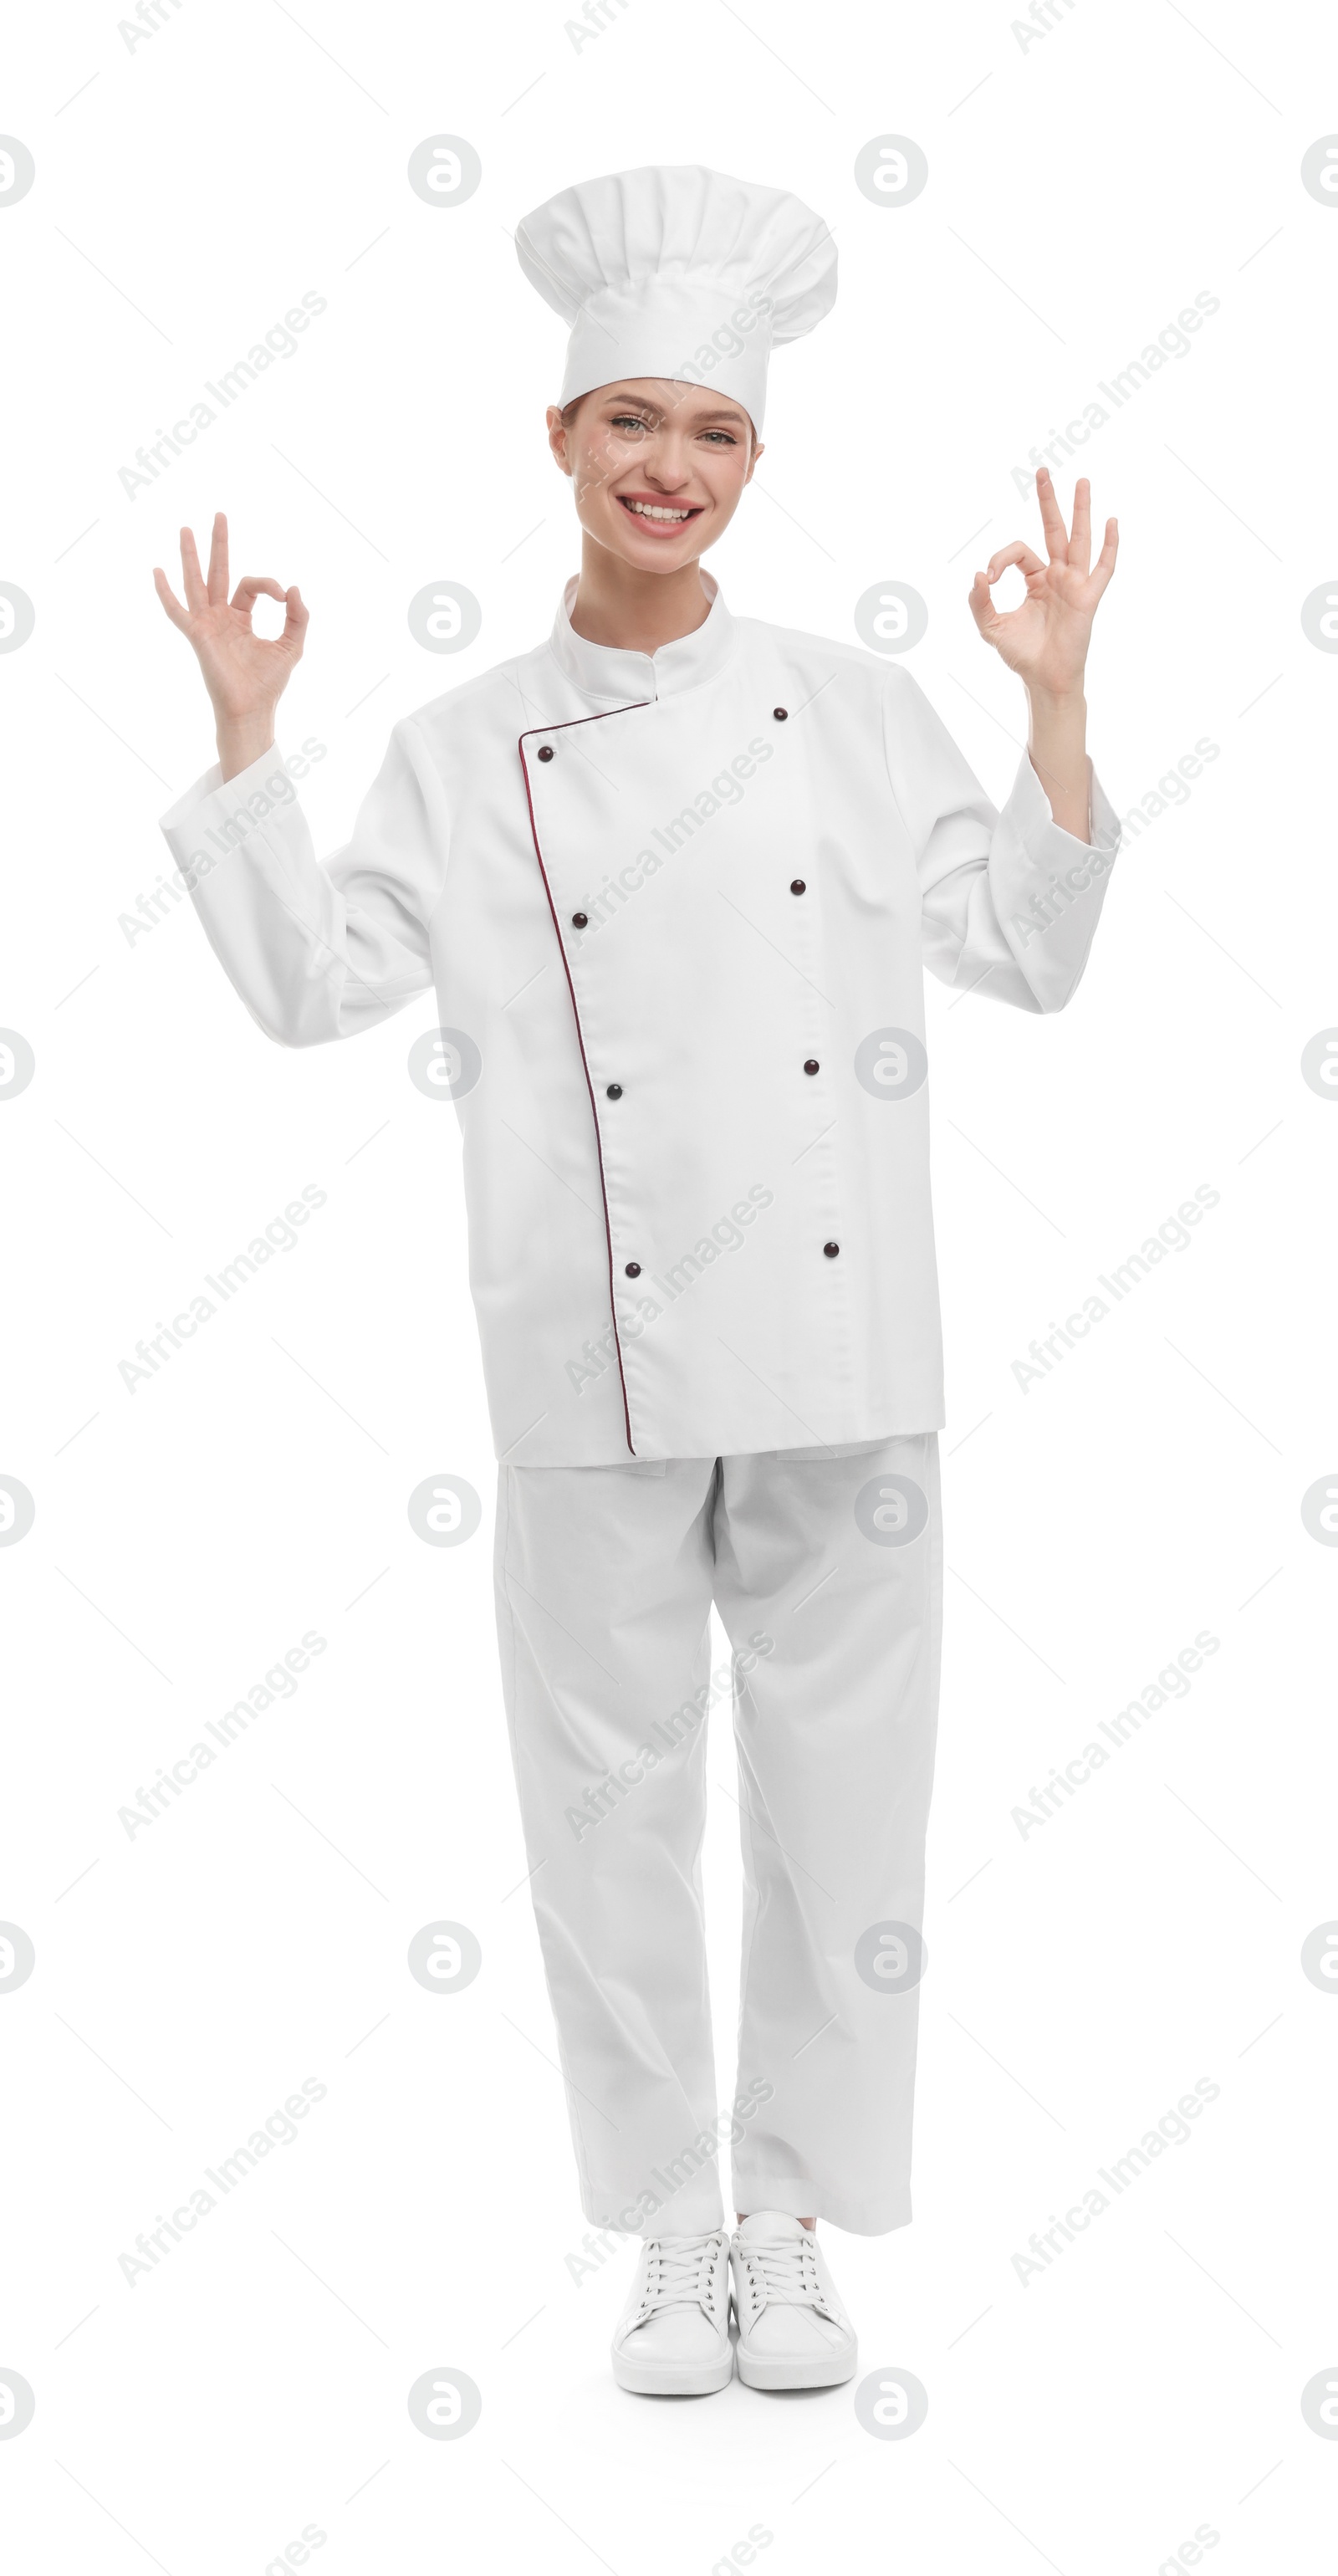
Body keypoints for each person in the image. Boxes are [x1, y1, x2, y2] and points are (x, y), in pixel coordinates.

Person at [153, 163, 1121, 2399]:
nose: (670, 469)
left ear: (757, 462)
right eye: (630, 426)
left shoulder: (855, 709)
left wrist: (1056, 704)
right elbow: (315, 984)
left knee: (840, 1809)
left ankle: (792, 2221)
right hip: (579, 1346)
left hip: (843, 1344)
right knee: (605, 1804)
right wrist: (239, 745)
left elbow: (1029, 951)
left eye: (714, 433)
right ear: (561, 443)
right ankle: (666, 2231)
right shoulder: (464, 739)